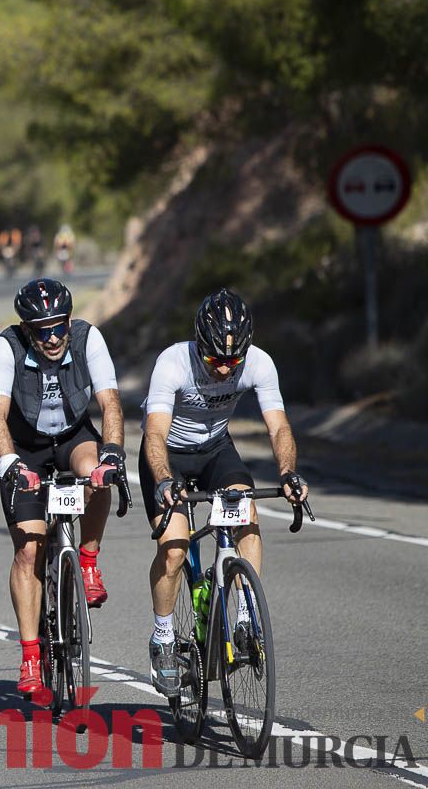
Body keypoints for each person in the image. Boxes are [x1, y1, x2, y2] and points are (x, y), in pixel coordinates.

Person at [140, 288, 308, 697]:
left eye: (233, 361)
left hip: (216, 449)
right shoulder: (172, 362)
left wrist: (288, 473)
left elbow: (279, 427)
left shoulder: (259, 363)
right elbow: (155, 433)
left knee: (246, 514)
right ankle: (163, 638)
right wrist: (163, 479)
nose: (224, 369)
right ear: (199, 345)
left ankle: (248, 617)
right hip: (168, 455)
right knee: (175, 547)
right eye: (215, 360)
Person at [0, 278, 125, 698]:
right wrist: (10, 463)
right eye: (42, 330)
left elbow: (111, 402)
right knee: (29, 550)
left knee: (97, 473)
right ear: (27, 329)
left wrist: (113, 452)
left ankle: (88, 560)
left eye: (59, 325)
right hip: (24, 446)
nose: (53, 337)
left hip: (72, 436)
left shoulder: (87, 337)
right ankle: (29, 654)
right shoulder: (7, 346)